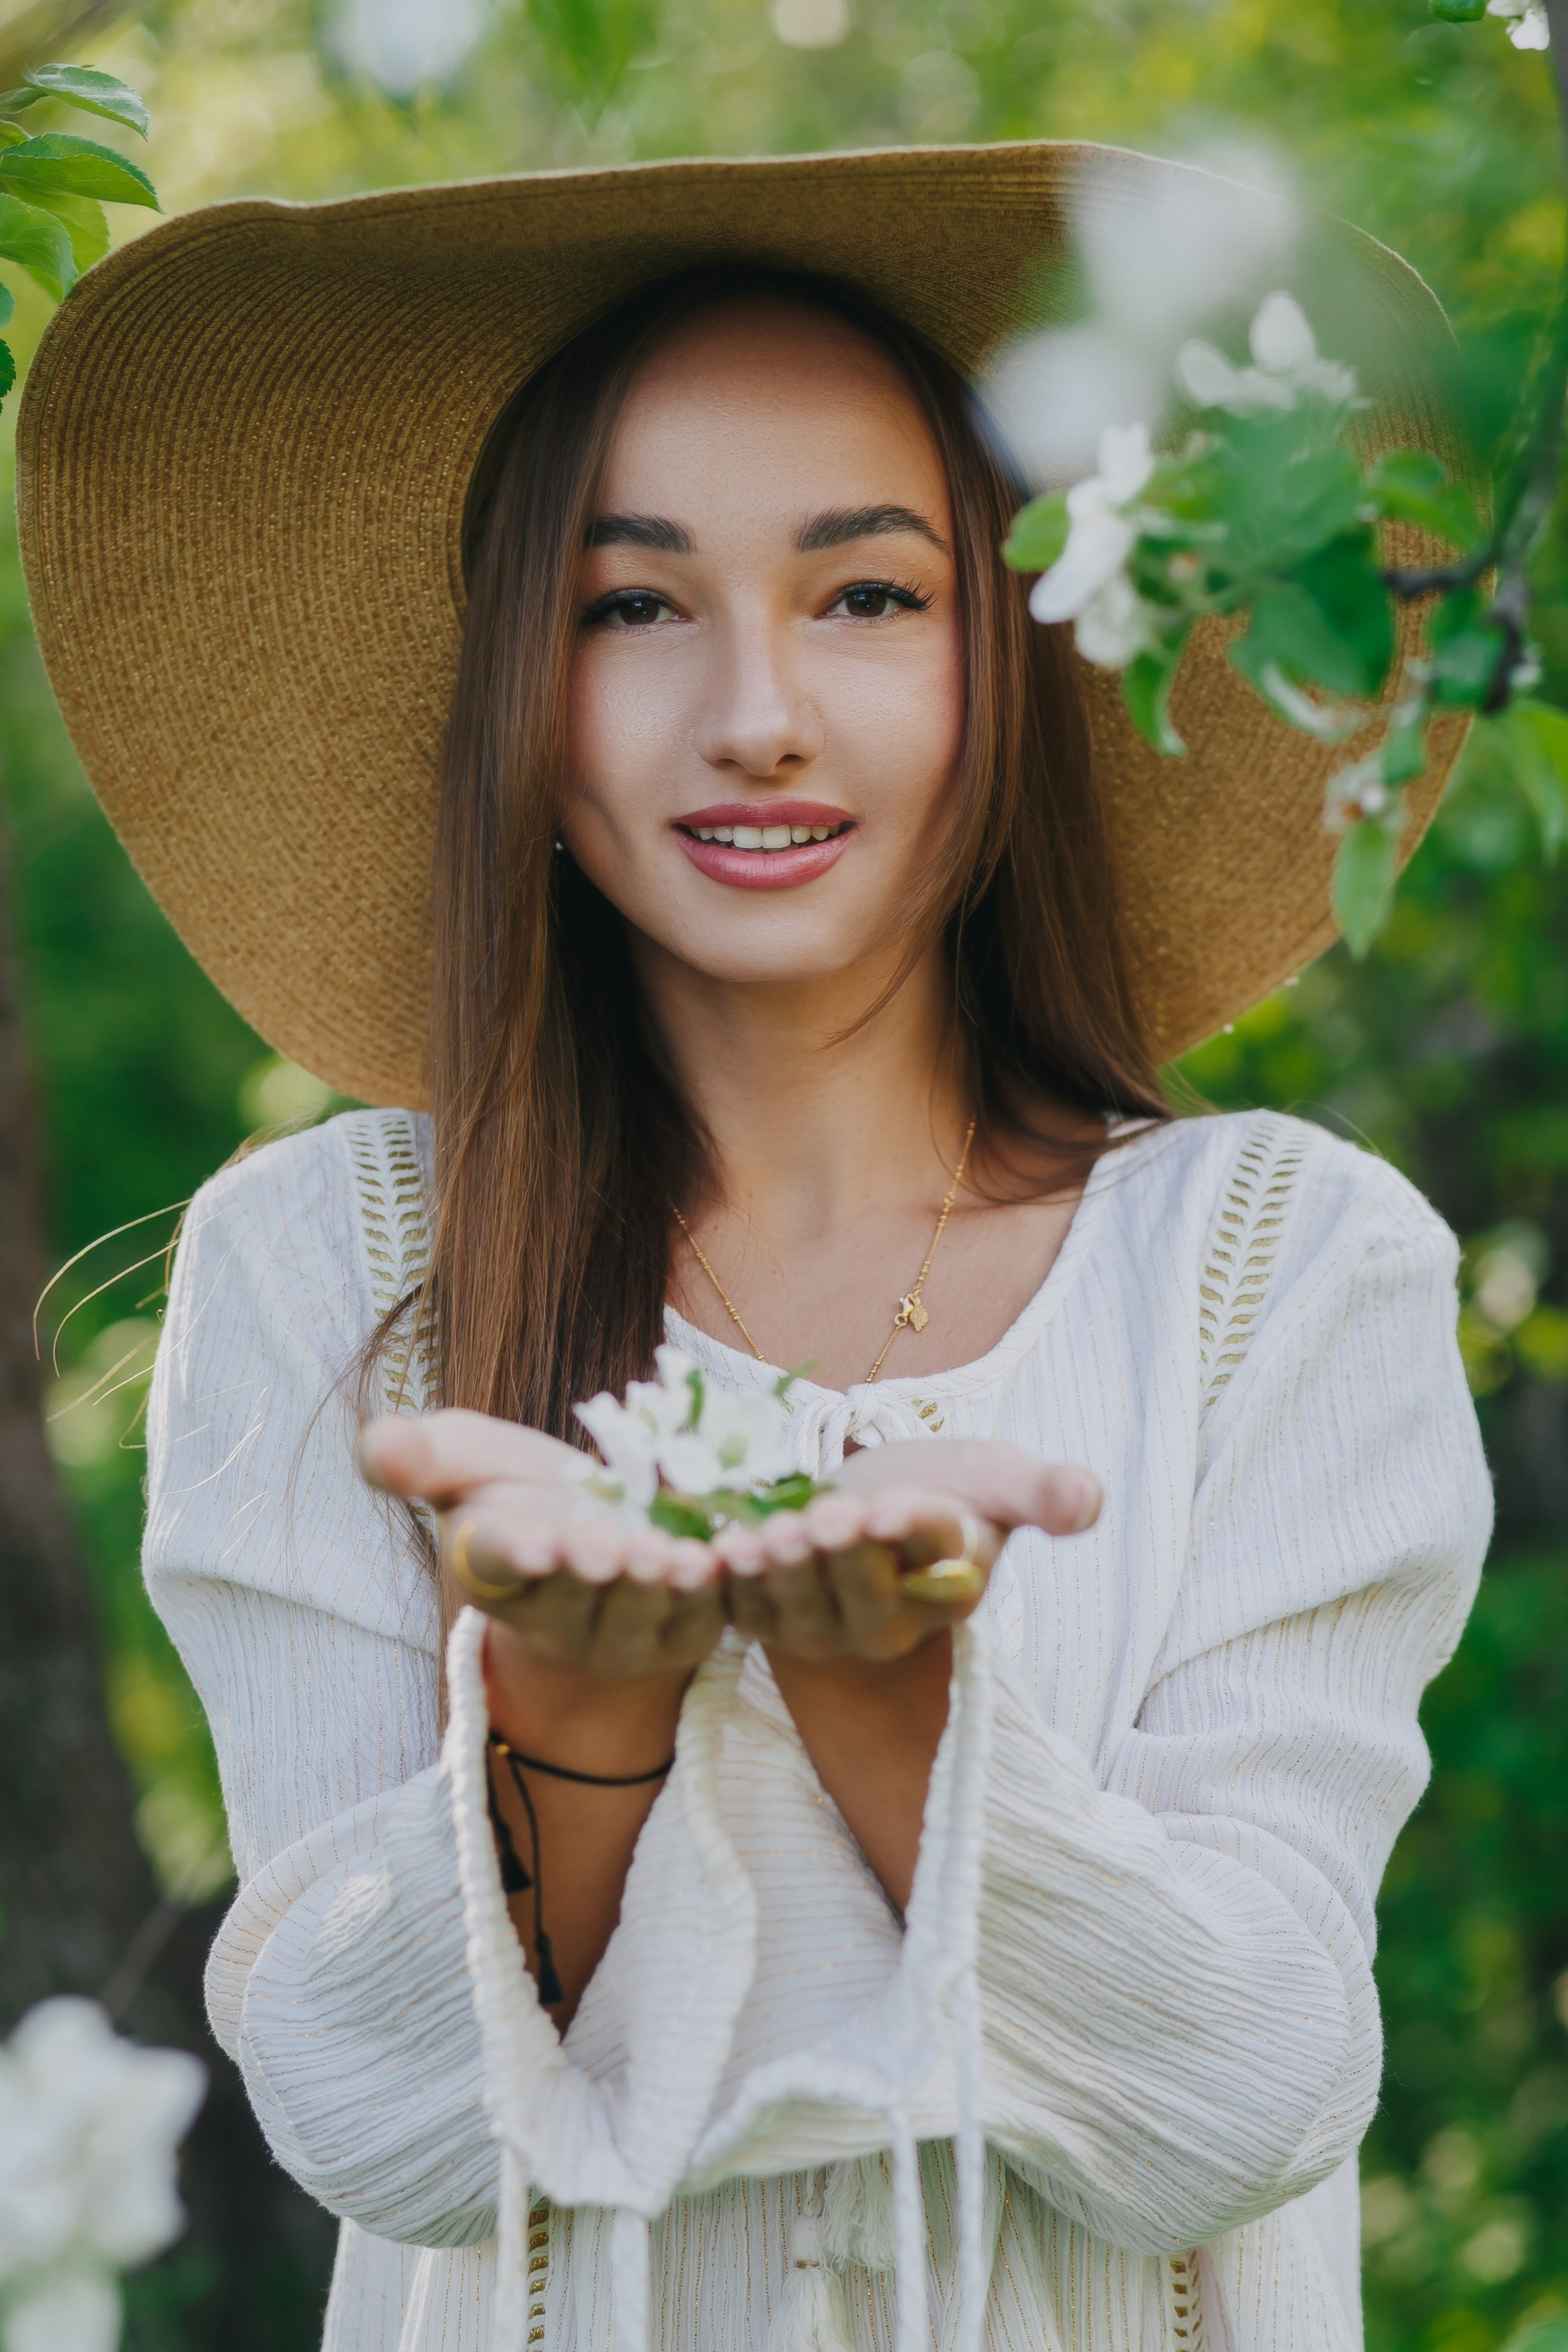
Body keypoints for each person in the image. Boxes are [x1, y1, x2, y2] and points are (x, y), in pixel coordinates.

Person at [20, 145, 1491, 2352]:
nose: (756, 713)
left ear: (1012, 653)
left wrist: (903, 1711)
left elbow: (1254, 2091)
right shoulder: (335, 1271)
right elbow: (362, 2117)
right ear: (523, 674)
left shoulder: (1277, 1271)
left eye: (868, 594)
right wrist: (575, 1728)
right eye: (635, 603)